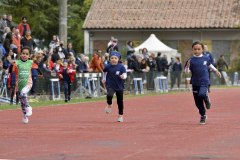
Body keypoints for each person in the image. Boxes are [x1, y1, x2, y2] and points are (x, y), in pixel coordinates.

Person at [185, 41, 221, 125]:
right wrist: (188, 66)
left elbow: (210, 65)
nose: (197, 51)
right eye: (195, 49)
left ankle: (207, 100)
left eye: (199, 49)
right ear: (192, 50)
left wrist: (216, 70)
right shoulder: (190, 60)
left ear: (202, 49)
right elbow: (186, 71)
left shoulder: (206, 58)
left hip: (204, 81)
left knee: (202, 94)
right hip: (195, 82)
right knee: (198, 103)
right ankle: (203, 115)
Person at [10, 46, 33, 124]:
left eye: (27, 54)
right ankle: (25, 115)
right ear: (20, 54)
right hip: (19, 85)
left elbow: (39, 63)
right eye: (23, 53)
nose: (25, 55)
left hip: (28, 83)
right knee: (22, 102)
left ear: (29, 56)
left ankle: (29, 107)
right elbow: (12, 71)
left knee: (23, 92)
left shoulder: (31, 62)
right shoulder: (16, 63)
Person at [102, 51, 127, 122]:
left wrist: (123, 77)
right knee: (109, 95)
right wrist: (103, 78)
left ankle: (120, 115)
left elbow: (125, 74)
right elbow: (104, 72)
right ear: (110, 59)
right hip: (110, 84)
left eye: (115, 58)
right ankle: (109, 104)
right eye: (112, 58)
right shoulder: (107, 66)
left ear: (118, 59)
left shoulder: (121, 67)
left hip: (119, 86)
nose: (113, 59)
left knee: (120, 101)